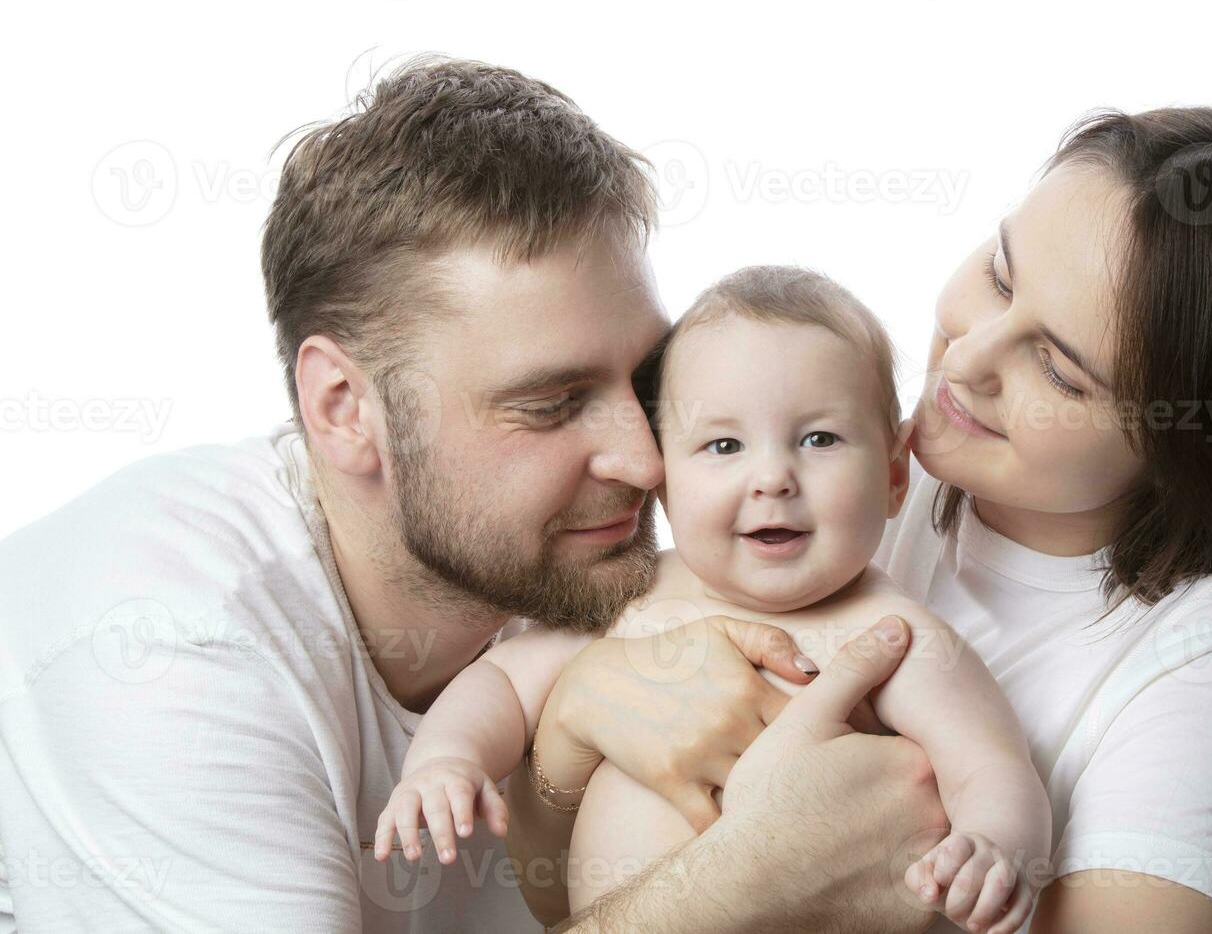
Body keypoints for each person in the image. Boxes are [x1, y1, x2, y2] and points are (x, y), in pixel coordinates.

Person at [0, 57, 946, 933]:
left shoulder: (575, 599)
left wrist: (563, 766)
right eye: (552, 403)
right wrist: (740, 887)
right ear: (344, 409)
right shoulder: (162, 648)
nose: (646, 459)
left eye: (648, 384)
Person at [528, 107, 1212, 934]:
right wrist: (570, 729)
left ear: (1195, 439)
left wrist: (768, 874)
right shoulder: (846, 473)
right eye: (999, 274)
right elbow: (551, 891)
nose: (968, 358)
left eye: (1061, 372)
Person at [374, 266, 1054, 933]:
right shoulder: (635, 596)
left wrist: (993, 845)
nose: (772, 478)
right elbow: (499, 683)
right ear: (663, 481)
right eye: (723, 444)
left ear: (894, 473)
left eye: (819, 438)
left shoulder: (894, 637)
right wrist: (447, 760)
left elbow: (992, 765)